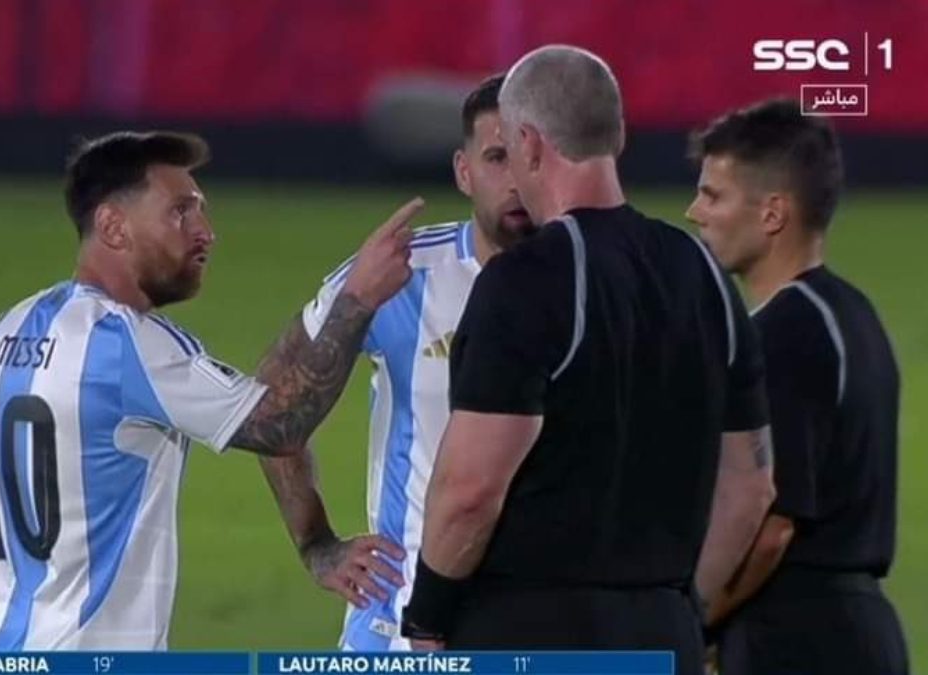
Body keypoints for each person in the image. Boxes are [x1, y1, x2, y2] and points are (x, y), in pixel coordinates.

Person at [0, 130, 423, 649]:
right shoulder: (128, 344)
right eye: (180, 212)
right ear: (113, 226)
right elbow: (283, 422)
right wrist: (358, 299)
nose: (205, 232)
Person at [398, 45, 775, 675]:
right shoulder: (704, 273)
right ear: (618, 135)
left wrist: (428, 612)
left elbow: (470, 490)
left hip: (528, 636)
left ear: (528, 144)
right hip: (664, 634)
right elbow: (751, 484)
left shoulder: (526, 280)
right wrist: (681, 602)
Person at [258, 74, 536, 651]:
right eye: (496, 158)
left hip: (544, 625)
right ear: (464, 172)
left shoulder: (600, 281)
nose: (515, 181)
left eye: (531, 158)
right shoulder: (402, 277)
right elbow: (269, 401)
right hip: (399, 630)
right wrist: (316, 543)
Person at [686, 98, 908, 675]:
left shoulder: (783, 333)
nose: (694, 212)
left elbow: (770, 527)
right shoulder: (853, 314)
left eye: (714, 195)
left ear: (772, 214)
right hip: (858, 631)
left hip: (797, 639)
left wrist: (693, 625)